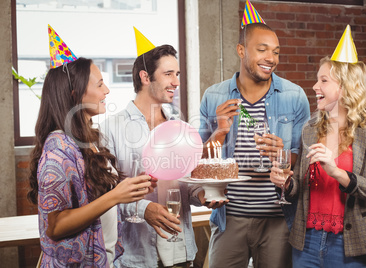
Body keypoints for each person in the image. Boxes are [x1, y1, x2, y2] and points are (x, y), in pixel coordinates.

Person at [100, 44, 225, 268]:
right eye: (168, 74)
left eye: (177, 74)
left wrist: (203, 195)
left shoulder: (180, 128)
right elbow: (102, 196)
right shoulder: (112, 129)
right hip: (134, 256)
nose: (176, 82)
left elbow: (186, 181)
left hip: (180, 252)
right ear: (145, 77)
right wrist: (143, 208)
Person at [198, 20, 310, 268]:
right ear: (241, 50)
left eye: (276, 51)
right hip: (230, 218)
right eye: (262, 49)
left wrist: (281, 155)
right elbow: (199, 162)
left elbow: (304, 161)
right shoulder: (214, 96)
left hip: (278, 220)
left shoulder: (295, 96)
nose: (271, 58)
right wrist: (220, 131)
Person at [270, 49, 366, 267]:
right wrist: (287, 184)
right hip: (306, 242)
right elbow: (301, 187)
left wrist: (337, 172)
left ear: (345, 87)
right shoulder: (310, 128)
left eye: (323, 80)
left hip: (349, 244)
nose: (315, 86)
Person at [27, 56, 153, 267]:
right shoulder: (58, 148)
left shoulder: (89, 140)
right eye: (99, 84)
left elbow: (96, 196)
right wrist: (115, 196)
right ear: (74, 94)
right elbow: (55, 226)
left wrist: (127, 188)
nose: (107, 91)